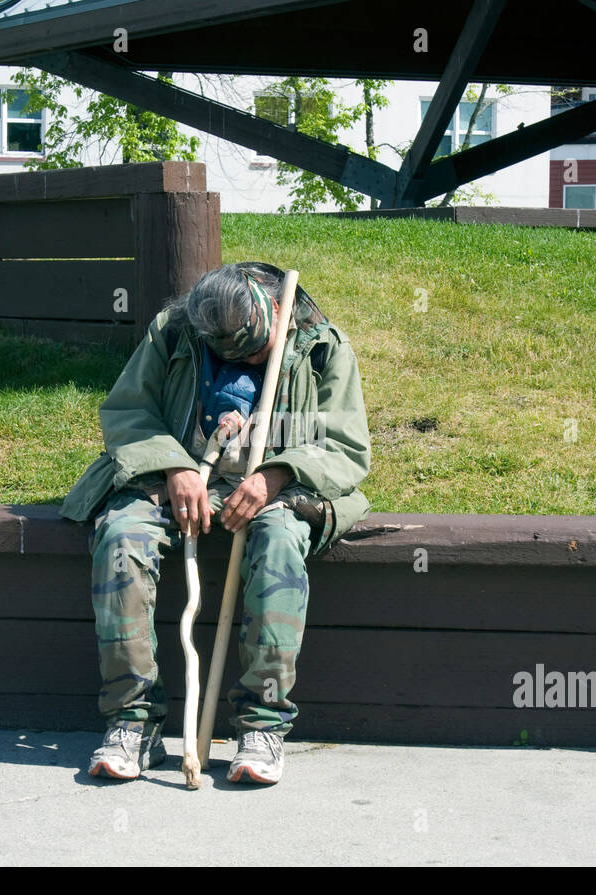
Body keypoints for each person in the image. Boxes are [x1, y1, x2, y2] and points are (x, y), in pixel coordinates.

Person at [59, 262, 371, 785]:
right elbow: (128, 412)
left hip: (281, 485)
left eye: (254, 351)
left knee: (277, 542)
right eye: (230, 355)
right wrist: (173, 464)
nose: (247, 361)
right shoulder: (175, 330)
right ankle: (133, 723)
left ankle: (262, 725)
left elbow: (345, 446)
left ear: (275, 313)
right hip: (170, 476)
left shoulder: (322, 347)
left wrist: (278, 473)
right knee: (121, 536)